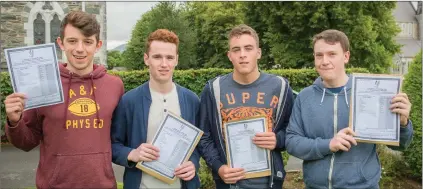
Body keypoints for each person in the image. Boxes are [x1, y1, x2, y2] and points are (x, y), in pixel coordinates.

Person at [4, 11, 123, 188]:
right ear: (61, 43)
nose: (80, 49)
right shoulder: (42, 84)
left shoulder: (114, 86)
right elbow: (27, 142)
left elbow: (119, 139)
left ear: (98, 45)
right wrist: (14, 122)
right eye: (72, 41)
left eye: (87, 42)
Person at [285, 29, 414, 189]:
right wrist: (329, 145)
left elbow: (399, 145)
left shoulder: (370, 93)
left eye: (332, 54)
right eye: (319, 55)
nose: (324, 61)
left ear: (346, 56)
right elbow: (292, 142)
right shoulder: (305, 97)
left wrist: (402, 123)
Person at [197, 24, 294, 189]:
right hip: (229, 183)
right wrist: (218, 167)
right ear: (229, 55)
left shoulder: (280, 86)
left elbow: (294, 131)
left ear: (258, 53)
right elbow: (203, 136)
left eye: (248, 48)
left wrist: (278, 139)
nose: (242, 55)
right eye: (236, 50)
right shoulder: (214, 89)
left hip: (269, 182)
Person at [111, 29, 201, 189]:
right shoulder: (129, 101)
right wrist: (132, 154)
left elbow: (200, 144)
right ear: (147, 59)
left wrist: (193, 164)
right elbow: (113, 145)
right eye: (157, 57)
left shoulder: (191, 100)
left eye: (169, 57)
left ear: (176, 60)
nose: (164, 64)